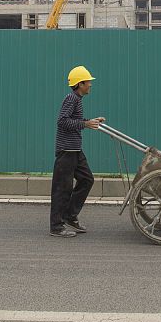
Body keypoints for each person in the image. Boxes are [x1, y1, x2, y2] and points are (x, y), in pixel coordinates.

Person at [50, 66, 104, 238]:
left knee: (87, 179)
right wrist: (85, 124)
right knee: (62, 189)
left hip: (75, 149)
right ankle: (56, 226)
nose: (90, 85)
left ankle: (70, 216)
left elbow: (75, 121)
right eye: (88, 82)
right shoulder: (71, 98)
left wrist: (91, 121)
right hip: (66, 150)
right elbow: (62, 121)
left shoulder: (77, 99)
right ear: (80, 84)